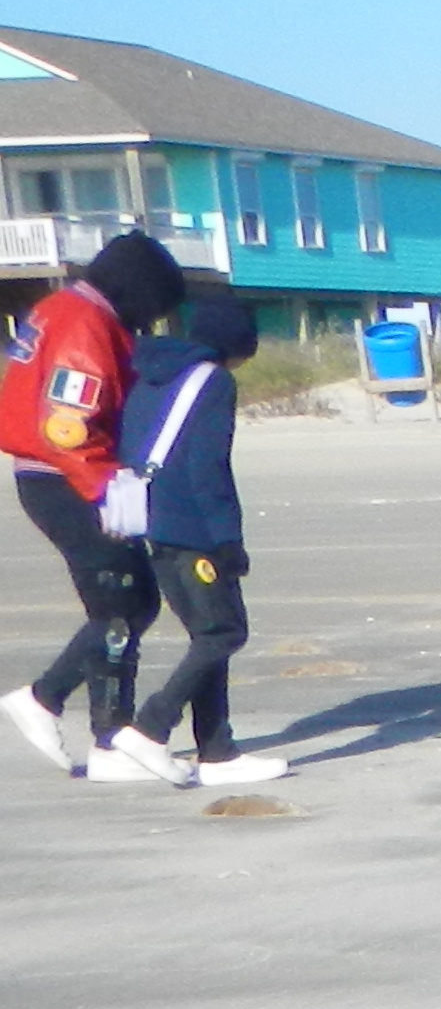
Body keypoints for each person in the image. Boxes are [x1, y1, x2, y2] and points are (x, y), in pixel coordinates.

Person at [4, 228, 186, 774]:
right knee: (120, 602)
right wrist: (109, 494)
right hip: (65, 477)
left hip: (49, 476)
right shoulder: (85, 324)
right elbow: (68, 427)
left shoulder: (61, 308)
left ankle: (60, 705)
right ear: (137, 291)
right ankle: (99, 736)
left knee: (131, 603)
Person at [93, 293, 286, 790]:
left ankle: (217, 751)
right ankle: (151, 727)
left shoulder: (153, 373)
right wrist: (227, 539)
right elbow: (208, 467)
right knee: (224, 632)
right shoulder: (213, 381)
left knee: (207, 634)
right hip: (192, 528)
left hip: (150, 521)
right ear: (237, 343)